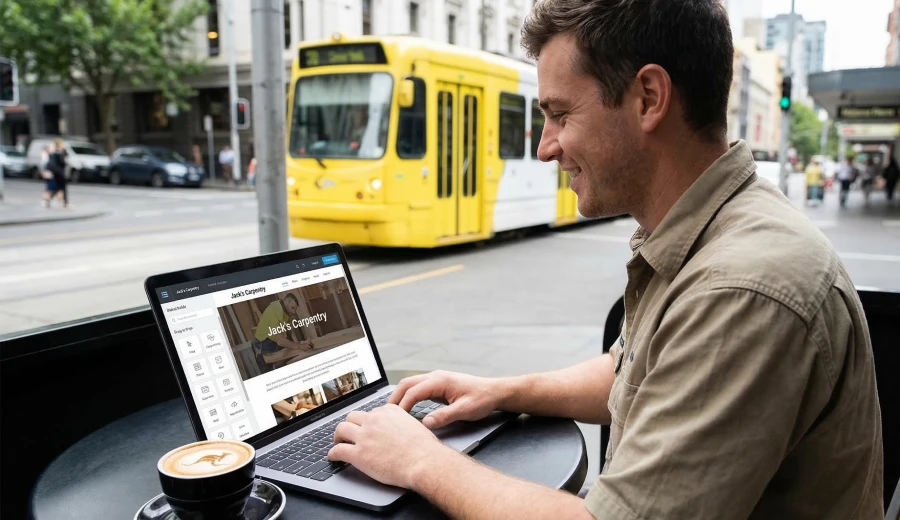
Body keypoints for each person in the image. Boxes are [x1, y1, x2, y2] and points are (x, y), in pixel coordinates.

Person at [325, 1, 884, 519]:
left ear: (648, 98)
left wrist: (422, 461)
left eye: (560, 114)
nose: (546, 146)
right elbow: (635, 368)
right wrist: (502, 390)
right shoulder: (710, 231)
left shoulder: (743, 286)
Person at [251, 294, 313, 373]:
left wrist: (298, 343)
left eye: (295, 309)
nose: (294, 312)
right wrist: (300, 346)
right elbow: (280, 341)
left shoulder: (286, 312)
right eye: (293, 308)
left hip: (273, 342)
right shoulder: (275, 311)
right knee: (271, 375)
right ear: (287, 301)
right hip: (262, 345)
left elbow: (290, 328)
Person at [46, 139, 69, 209]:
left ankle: (49, 199)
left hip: (55, 173)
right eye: (62, 144)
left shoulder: (54, 152)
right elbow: (63, 163)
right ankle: (65, 203)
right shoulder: (59, 153)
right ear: (59, 144)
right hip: (60, 173)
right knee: (63, 188)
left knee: (58, 188)